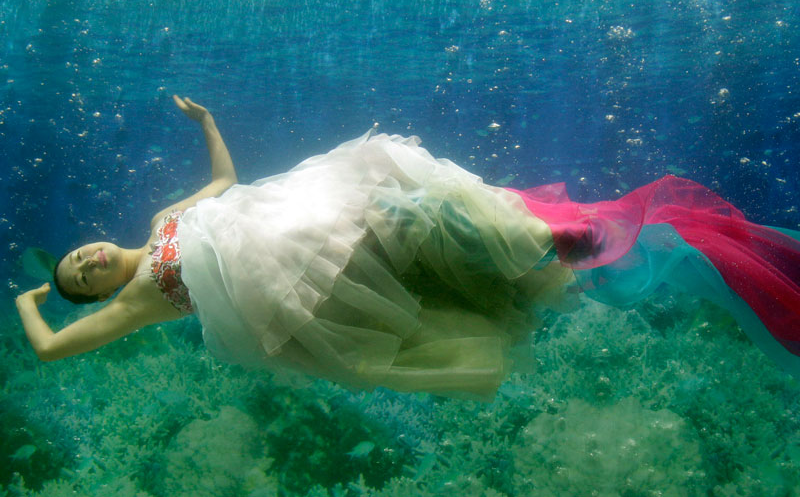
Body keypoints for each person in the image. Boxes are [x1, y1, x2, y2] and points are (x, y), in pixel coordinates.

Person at [16, 97, 800, 400]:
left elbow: (223, 181)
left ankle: (542, 242)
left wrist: (207, 122)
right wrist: (28, 302)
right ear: (92, 293)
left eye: (75, 256)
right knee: (403, 253)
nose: (83, 264)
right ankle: (541, 254)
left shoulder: (160, 219)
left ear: (91, 240)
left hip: (285, 219)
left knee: (397, 202)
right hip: (278, 276)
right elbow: (52, 351)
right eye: (76, 278)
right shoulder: (130, 302)